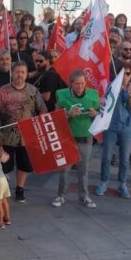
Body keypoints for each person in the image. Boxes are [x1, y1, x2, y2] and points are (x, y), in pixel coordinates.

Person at [0, 61, 47, 202]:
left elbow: (42, 108)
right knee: (5, 164)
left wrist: (40, 121)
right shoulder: (2, 91)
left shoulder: (33, 91)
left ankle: (20, 189)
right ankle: (4, 189)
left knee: (24, 164)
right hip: (7, 135)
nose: (20, 75)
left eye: (23, 72)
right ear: (12, 73)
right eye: (17, 72)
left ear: (26, 74)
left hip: (27, 135)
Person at [52, 70, 99, 209]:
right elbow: (56, 116)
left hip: (85, 137)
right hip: (68, 137)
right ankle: (61, 195)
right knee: (64, 169)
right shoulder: (62, 94)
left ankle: (84, 196)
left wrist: (96, 114)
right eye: (77, 83)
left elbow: (101, 114)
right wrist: (68, 114)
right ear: (70, 84)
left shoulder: (93, 95)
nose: (80, 86)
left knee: (83, 169)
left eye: (82, 83)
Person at [95, 63, 131, 199]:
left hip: (127, 127)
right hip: (110, 126)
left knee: (125, 159)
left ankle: (122, 184)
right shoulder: (111, 85)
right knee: (106, 156)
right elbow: (102, 101)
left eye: (128, 74)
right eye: (123, 73)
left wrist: (129, 94)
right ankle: (103, 182)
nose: (125, 76)